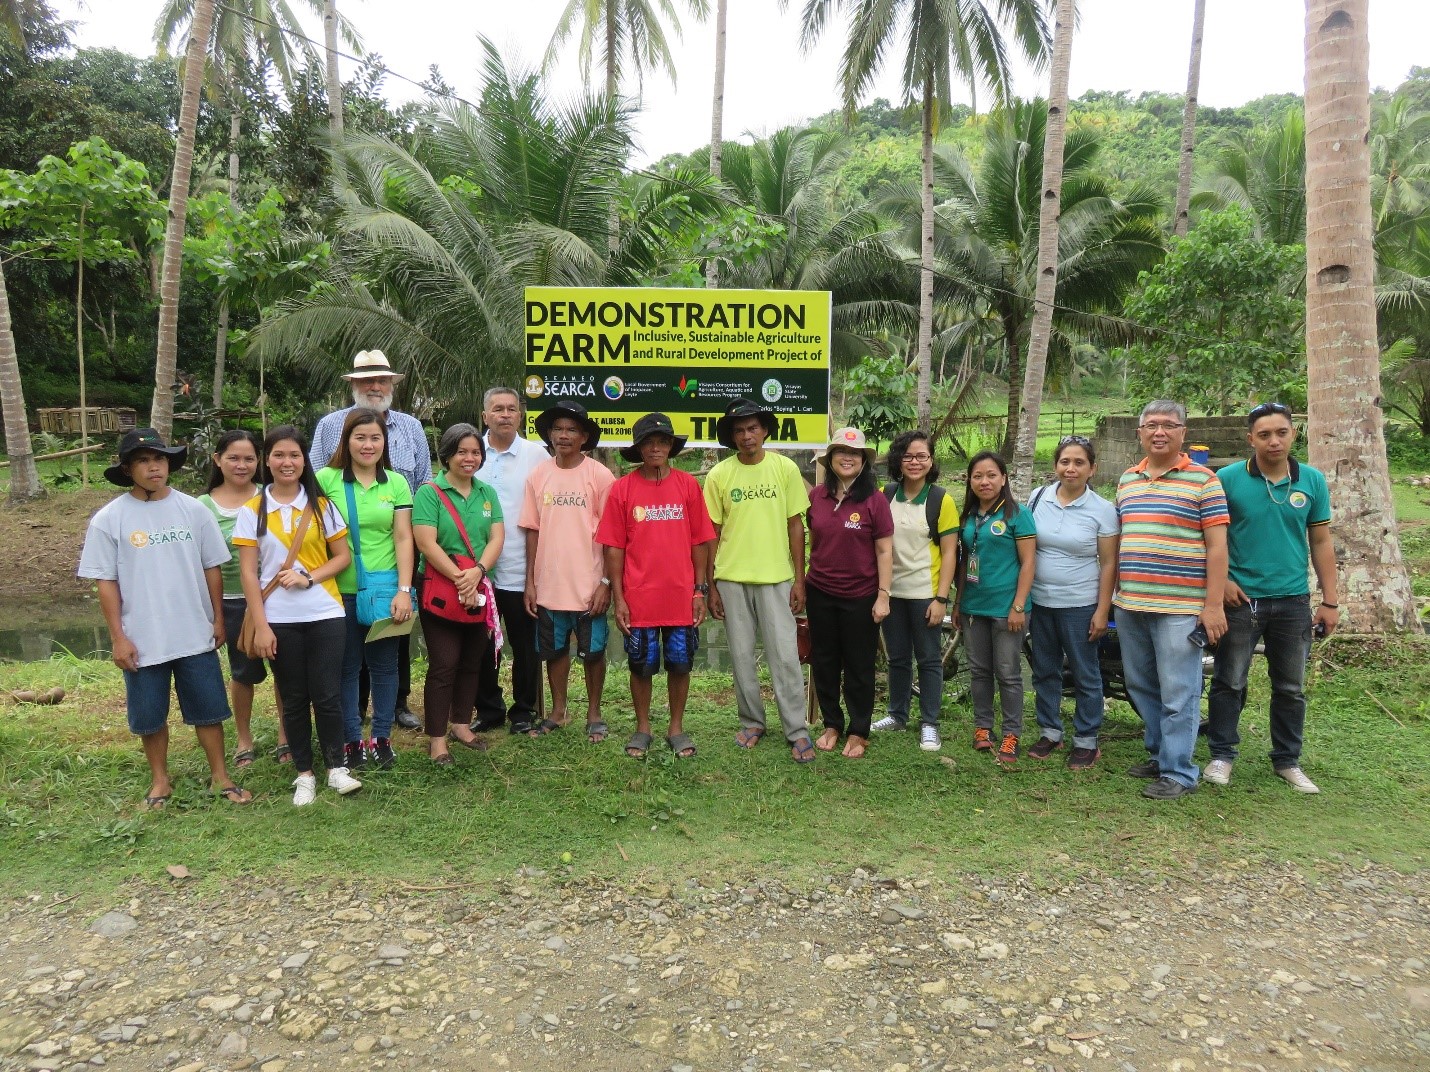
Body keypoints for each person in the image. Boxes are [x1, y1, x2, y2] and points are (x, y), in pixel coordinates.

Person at [78, 428, 252, 810]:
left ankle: (220, 775)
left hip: (194, 631)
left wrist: (218, 618)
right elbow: (105, 582)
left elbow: (212, 569)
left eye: (159, 459)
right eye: (143, 460)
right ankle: (160, 780)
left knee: (209, 709)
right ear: (127, 469)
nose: (153, 467)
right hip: (142, 636)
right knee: (149, 715)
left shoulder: (192, 510)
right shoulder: (110, 519)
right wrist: (118, 637)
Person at [1205, 402, 1338, 794]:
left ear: (1293, 434)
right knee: (1229, 680)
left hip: (1293, 600)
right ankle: (1222, 755)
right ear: (1251, 439)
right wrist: (1223, 581)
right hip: (1240, 600)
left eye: (1281, 432)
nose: (1273, 441)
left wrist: (1330, 600)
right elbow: (1209, 538)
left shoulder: (1312, 481)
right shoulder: (1227, 479)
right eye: (1264, 434)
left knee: (1290, 686)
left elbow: (1321, 540)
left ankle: (1287, 761)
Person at [235, 426, 359, 806]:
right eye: (278, 455)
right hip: (278, 619)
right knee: (292, 697)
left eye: (294, 456)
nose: (286, 463)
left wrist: (309, 576)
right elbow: (248, 574)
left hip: (324, 612)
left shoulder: (322, 506)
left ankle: (336, 768)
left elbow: (342, 557)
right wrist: (261, 626)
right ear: (266, 461)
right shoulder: (252, 511)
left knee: (327, 693)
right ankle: (304, 774)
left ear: (304, 461)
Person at [1114, 400, 1229, 801]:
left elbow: (1217, 548)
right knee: (1140, 684)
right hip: (1130, 604)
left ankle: (1179, 771)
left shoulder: (1204, 480)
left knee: (1179, 691)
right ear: (1140, 432)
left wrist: (1212, 606)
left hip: (1180, 608)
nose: (1159, 432)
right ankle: (1161, 752)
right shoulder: (1128, 479)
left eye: (1169, 425)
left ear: (1183, 432)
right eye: (1151, 425)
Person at [311, 349, 431, 730]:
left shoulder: (410, 428)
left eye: (381, 380)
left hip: (398, 557)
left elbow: (425, 480)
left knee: (391, 651)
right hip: (341, 569)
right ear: (354, 385)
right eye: (367, 380)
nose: (375, 386)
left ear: (392, 385)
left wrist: (407, 576)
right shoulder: (329, 425)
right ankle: (353, 721)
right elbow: (312, 488)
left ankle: (394, 710)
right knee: (348, 659)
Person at [597, 413, 715, 759]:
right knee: (641, 664)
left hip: (681, 596)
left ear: (670, 447)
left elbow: (700, 541)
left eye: (662, 441)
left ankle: (676, 727)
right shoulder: (623, 489)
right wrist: (619, 597)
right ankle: (643, 727)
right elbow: (614, 547)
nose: (656, 447)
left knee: (681, 663)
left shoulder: (688, 486)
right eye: (648, 442)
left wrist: (700, 590)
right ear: (638, 448)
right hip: (639, 597)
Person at [704, 398, 815, 764]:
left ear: (765, 430)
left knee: (785, 656)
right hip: (732, 579)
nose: (747, 436)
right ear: (732, 436)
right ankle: (752, 721)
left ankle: (796, 729)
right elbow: (712, 534)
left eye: (753, 428)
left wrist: (799, 580)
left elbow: (795, 526)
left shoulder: (784, 469)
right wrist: (711, 584)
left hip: (776, 578)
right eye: (739, 430)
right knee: (741, 657)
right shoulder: (720, 475)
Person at [318, 408, 416, 773]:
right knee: (346, 668)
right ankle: (351, 740)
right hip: (338, 590)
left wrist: (404, 589)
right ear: (346, 441)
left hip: (386, 589)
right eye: (360, 437)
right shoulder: (326, 480)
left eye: (375, 437)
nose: (368, 444)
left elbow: (404, 537)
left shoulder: (396, 483)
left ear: (384, 442)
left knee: (385, 666)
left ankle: (382, 738)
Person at [520, 401, 615, 741]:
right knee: (554, 651)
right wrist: (530, 581)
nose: (563, 435)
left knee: (593, 651)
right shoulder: (538, 475)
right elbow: (532, 529)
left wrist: (606, 582)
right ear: (549, 434)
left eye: (571, 429)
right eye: (557, 429)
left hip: (590, 583)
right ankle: (559, 711)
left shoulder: (600, 476)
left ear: (584, 437)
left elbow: (613, 535)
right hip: (549, 583)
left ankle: (594, 713)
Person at [1025, 435, 1120, 770]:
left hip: (1080, 604)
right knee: (1045, 670)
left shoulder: (1103, 510)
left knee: (1085, 672)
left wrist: (1102, 610)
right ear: (1055, 466)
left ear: (1092, 468)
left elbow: (1109, 563)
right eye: (1065, 461)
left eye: (1079, 462)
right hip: (1041, 602)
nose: (1071, 468)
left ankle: (1086, 740)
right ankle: (1050, 731)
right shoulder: (1038, 498)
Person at [411, 424, 505, 764]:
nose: (470, 458)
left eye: (476, 452)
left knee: (471, 661)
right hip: (439, 587)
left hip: (479, 586)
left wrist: (477, 573)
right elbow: (425, 542)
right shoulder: (430, 492)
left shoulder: (486, 493)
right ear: (447, 454)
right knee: (444, 663)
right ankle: (437, 739)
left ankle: (461, 724)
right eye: (462, 451)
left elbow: (496, 537)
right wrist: (459, 578)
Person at [198, 429, 289, 768]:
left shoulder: (273, 496)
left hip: (277, 597)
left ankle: (285, 736)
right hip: (232, 601)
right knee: (243, 672)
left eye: (249, 458)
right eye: (233, 458)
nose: (241, 465)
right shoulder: (202, 507)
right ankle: (244, 739)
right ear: (217, 460)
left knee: (285, 670)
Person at [808, 428, 893, 759]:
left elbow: (885, 551)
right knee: (825, 661)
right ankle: (832, 723)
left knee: (859, 665)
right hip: (820, 591)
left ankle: (859, 731)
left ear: (863, 462)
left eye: (854, 453)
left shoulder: (875, 500)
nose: (847, 457)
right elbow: (815, 541)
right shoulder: (817, 496)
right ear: (830, 459)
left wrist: (883, 594)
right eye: (841, 451)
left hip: (861, 594)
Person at [873, 430, 959, 751]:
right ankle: (897, 715)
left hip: (925, 593)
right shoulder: (885, 495)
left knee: (928, 660)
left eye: (922, 456)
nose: (915, 462)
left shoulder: (941, 500)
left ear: (931, 461)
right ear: (898, 459)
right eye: (908, 456)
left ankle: (930, 723)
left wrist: (941, 599)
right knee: (897, 658)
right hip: (891, 593)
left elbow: (950, 552)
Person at [473, 387, 549, 736]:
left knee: (525, 645)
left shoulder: (537, 456)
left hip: (521, 568)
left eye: (512, 409)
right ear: (485, 416)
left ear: (521, 415)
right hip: (476, 570)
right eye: (497, 409)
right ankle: (488, 710)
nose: (505, 414)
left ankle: (524, 710)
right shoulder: (471, 452)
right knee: (481, 644)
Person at [953, 451, 1037, 766]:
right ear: (970, 481)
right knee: (979, 671)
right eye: (977, 476)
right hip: (975, 607)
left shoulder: (1017, 514)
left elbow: (1029, 563)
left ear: (1004, 478)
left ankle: (1012, 733)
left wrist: (1018, 605)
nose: (984, 481)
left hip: (1008, 609)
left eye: (991, 475)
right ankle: (983, 727)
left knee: (1008, 673)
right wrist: (959, 602)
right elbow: (964, 564)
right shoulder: (970, 516)